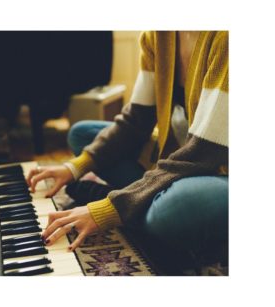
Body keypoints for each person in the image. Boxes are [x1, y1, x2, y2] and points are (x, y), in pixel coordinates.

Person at [26, 31, 228, 261]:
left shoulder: (226, 37)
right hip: (181, 160)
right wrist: (73, 168)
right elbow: (136, 121)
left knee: (167, 212)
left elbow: (204, 151)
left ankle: (136, 205)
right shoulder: (157, 35)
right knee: (82, 135)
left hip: (219, 168)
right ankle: (143, 202)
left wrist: (108, 210)